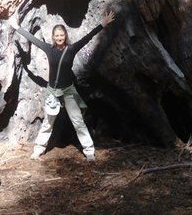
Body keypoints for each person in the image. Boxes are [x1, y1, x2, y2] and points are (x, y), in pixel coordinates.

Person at [10, 11, 115, 161]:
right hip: (53, 92)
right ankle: (38, 149)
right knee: (48, 122)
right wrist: (16, 27)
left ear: (65, 36)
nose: (59, 37)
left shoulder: (71, 49)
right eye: (57, 35)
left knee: (78, 121)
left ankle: (89, 151)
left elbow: (88, 37)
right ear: (53, 37)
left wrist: (102, 24)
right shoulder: (48, 49)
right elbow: (32, 39)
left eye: (61, 35)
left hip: (68, 91)